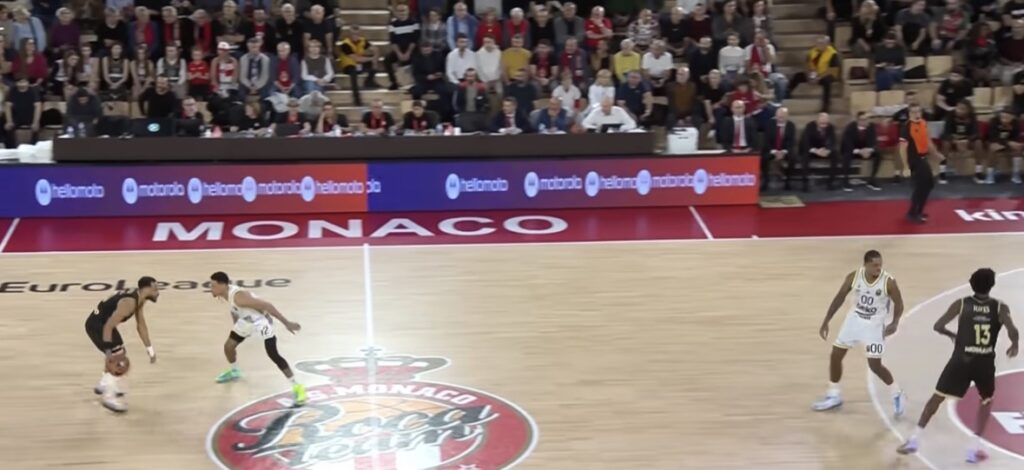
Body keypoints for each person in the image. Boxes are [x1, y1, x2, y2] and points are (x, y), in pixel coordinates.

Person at [897, 268, 1019, 463]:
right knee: (986, 401)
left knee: (936, 398)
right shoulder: (999, 307)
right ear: (992, 285)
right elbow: (1013, 330)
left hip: (961, 360)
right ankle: (974, 449)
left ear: (972, 284)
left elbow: (938, 326)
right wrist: (1015, 344)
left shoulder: (961, 304)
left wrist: (952, 335)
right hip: (984, 363)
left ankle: (914, 440)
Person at [814, 251, 906, 415]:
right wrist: (826, 320)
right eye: (875, 265)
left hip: (875, 326)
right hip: (854, 321)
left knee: (875, 366)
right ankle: (834, 394)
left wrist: (895, 322)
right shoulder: (854, 277)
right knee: (835, 355)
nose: (878, 268)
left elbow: (899, 304)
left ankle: (897, 393)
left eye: (880, 265)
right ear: (865, 265)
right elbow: (839, 298)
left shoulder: (889, 282)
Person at [208, 271, 307, 406]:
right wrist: (236, 326)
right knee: (228, 346)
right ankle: (235, 371)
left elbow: (267, 305)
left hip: (261, 321)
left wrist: (287, 323)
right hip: (246, 321)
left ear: (223, 285)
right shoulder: (226, 295)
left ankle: (297, 386)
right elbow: (234, 310)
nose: (211, 289)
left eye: (213, 286)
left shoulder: (239, 297)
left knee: (273, 354)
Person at [83, 276, 160, 413]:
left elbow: (141, 325)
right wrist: (108, 352)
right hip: (97, 326)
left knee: (119, 352)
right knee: (118, 357)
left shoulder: (139, 298)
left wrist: (150, 348)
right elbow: (108, 326)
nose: (158, 292)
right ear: (146, 289)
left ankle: (104, 383)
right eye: (155, 289)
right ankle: (109, 397)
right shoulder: (129, 303)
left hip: (103, 323)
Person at [900, 104, 940, 224]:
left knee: (929, 184)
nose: (916, 114)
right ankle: (912, 213)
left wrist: (936, 154)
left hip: (923, 157)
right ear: (909, 114)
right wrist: (906, 166)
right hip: (914, 158)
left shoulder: (923, 123)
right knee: (921, 186)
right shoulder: (906, 127)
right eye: (913, 112)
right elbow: (902, 148)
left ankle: (919, 211)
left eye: (918, 112)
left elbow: (928, 141)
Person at [840, 112, 882, 191]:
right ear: (858, 120)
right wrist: (859, 151)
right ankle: (845, 181)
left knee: (878, 154)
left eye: (867, 119)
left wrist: (869, 150)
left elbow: (874, 142)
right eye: (864, 119)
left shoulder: (871, 126)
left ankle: (872, 180)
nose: (867, 121)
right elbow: (847, 143)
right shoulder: (850, 127)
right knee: (846, 155)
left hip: (866, 151)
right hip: (853, 151)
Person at [760, 106, 796, 190]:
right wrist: (775, 152)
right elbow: (766, 141)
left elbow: (791, 142)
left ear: (787, 116)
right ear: (776, 115)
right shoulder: (770, 124)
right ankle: (765, 180)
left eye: (783, 116)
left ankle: (788, 181)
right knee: (763, 158)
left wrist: (783, 152)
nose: (780, 117)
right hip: (772, 150)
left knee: (793, 158)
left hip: (785, 150)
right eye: (778, 116)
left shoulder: (791, 126)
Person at [986, 108, 1024, 183]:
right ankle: (990, 174)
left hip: (1008, 143)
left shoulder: (1016, 123)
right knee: (993, 147)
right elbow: (993, 137)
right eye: (1002, 117)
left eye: (1007, 118)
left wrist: (1013, 144)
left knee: (1018, 148)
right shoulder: (994, 121)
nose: (1004, 120)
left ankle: (1016, 174)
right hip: (995, 141)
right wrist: (1007, 143)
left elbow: (1016, 137)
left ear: (1012, 117)